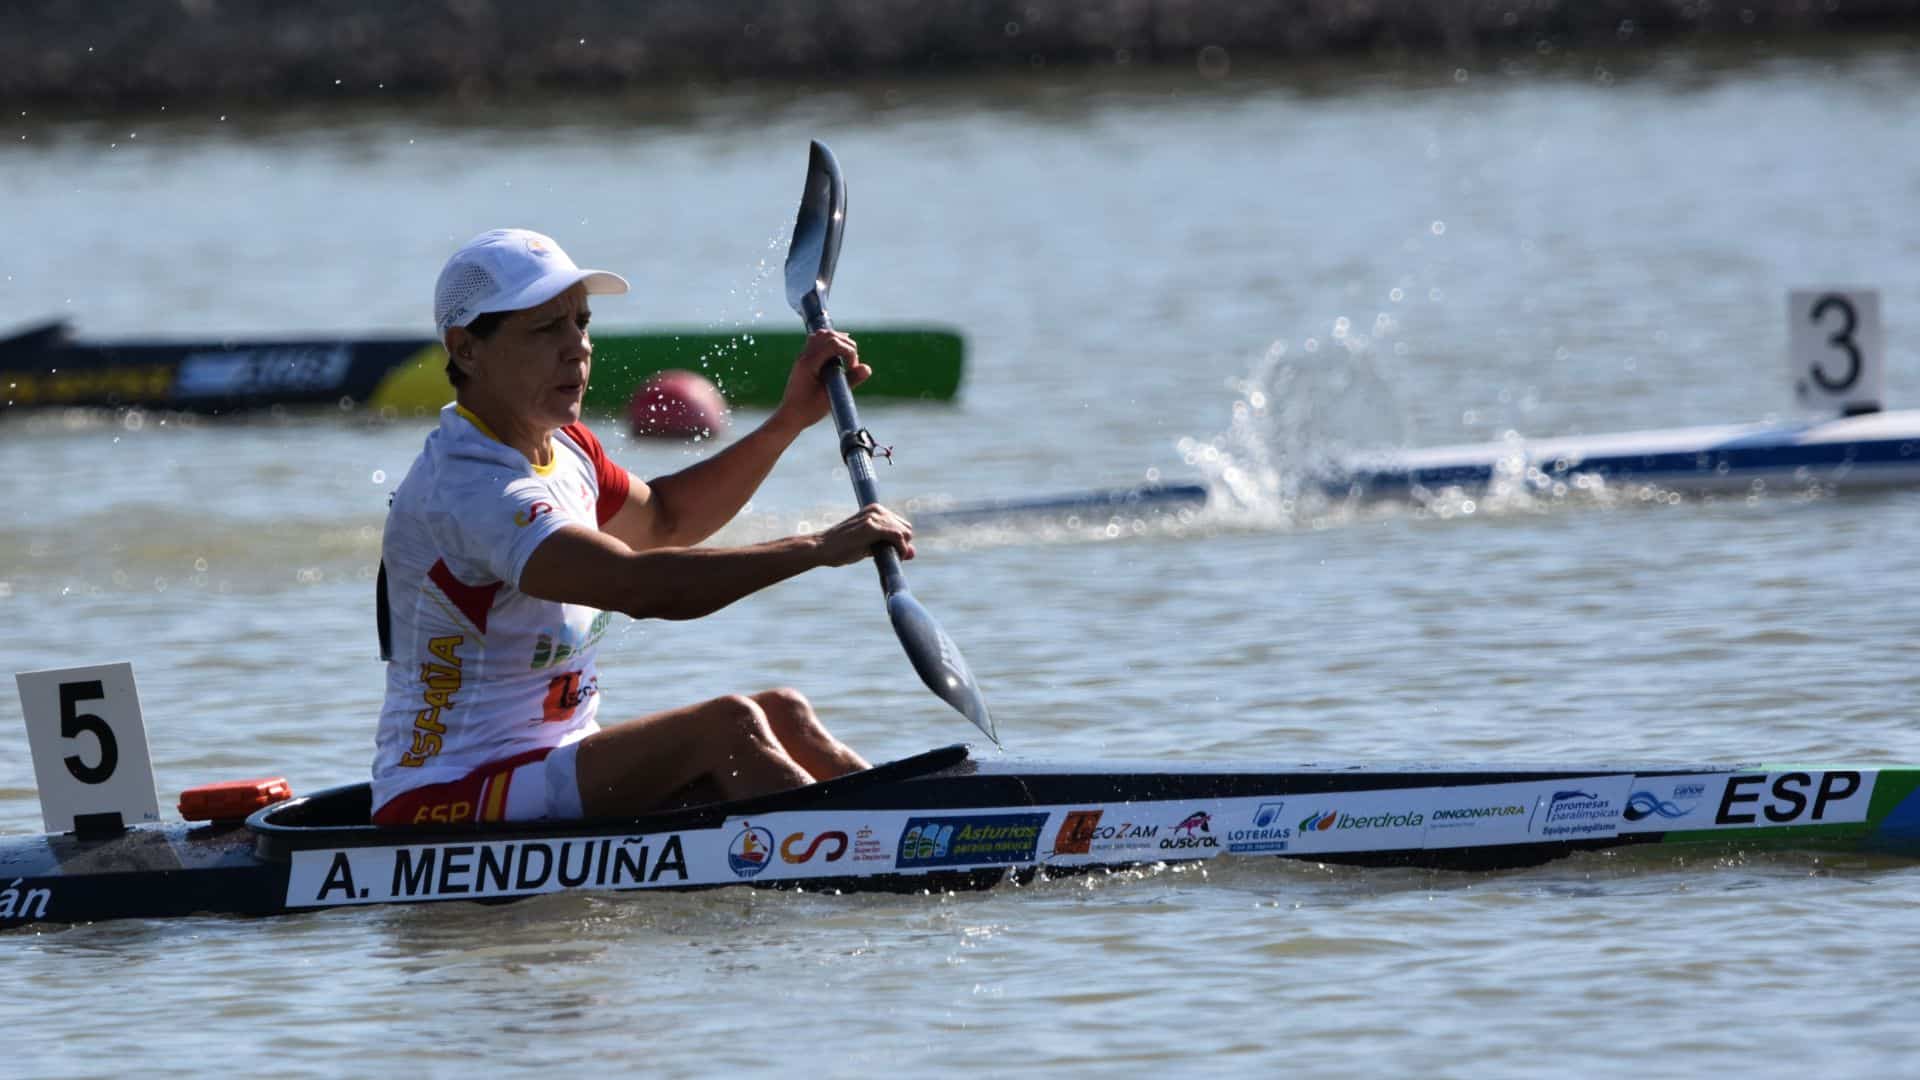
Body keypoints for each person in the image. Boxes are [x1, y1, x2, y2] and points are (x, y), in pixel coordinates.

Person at [370, 227, 912, 826]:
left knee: (784, 713)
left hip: (551, 764)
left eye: (581, 322)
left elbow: (665, 520)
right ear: (466, 349)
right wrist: (817, 547)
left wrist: (787, 422)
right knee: (729, 727)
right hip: (444, 798)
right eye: (547, 328)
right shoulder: (471, 488)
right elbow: (640, 586)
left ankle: (906, 829)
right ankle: (869, 851)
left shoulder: (566, 448)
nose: (577, 348)